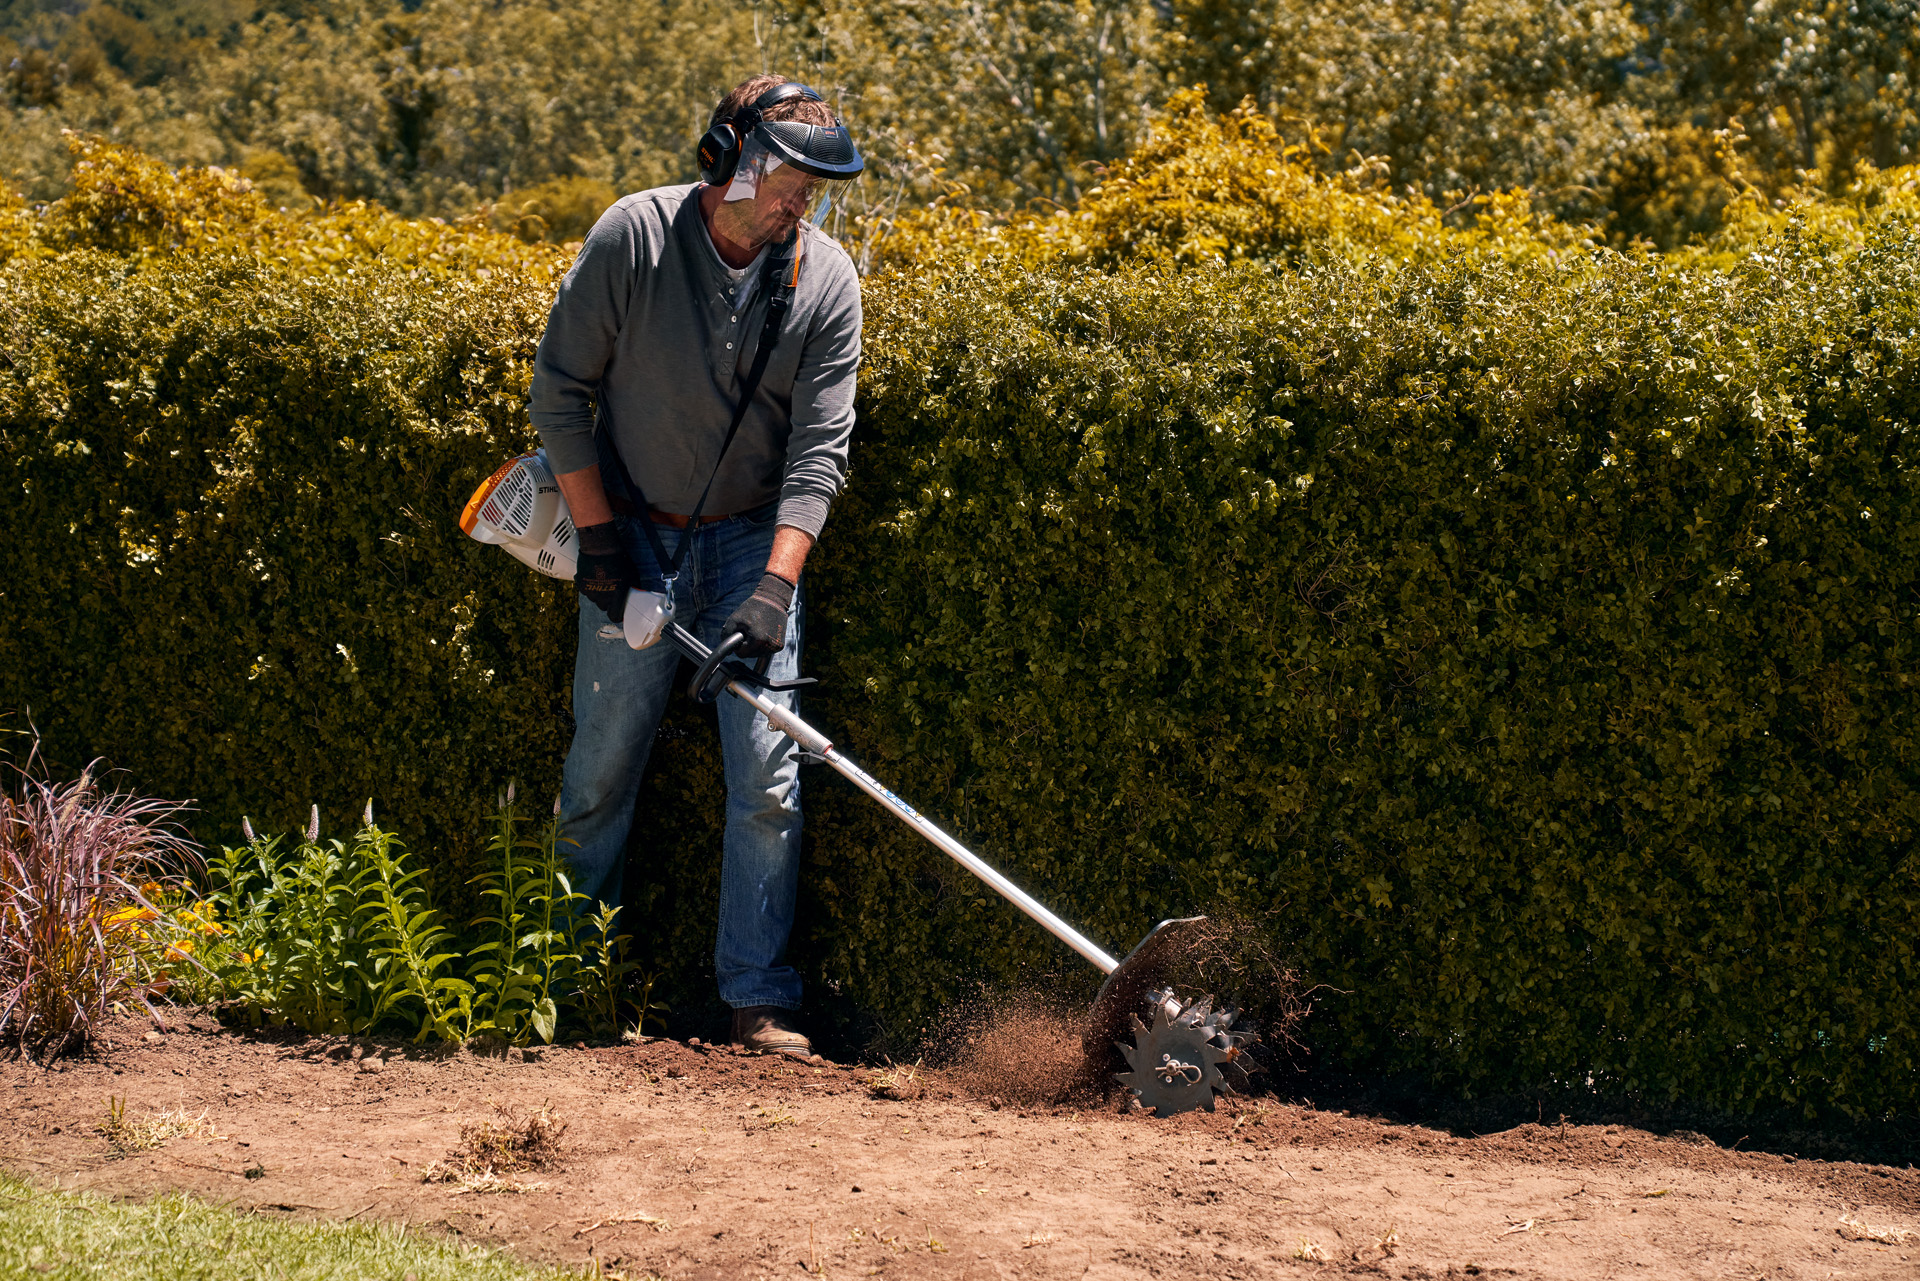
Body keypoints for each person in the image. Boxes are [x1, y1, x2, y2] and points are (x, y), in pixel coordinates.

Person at [527, 75, 864, 1058]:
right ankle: (565, 989)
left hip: (750, 545)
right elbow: (560, 396)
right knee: (599, 774)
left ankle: (756, 999)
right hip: (631, 533)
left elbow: (818, 454)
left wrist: (774, 587)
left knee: (768, 781)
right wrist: (602, 544)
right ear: (728, 162)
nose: (803, 205)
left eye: (816, 189)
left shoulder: (826, 281)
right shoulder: (632, 239)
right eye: (792, 183)